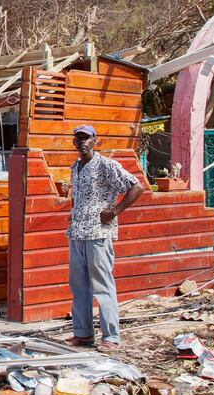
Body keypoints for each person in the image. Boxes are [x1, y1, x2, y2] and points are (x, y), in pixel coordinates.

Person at [65, 125, 144, 351]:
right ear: (74, 142)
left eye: (86, 138)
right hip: (77, 233)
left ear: (95, 141)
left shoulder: (105, 165)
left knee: (102, 285)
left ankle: (111, 336)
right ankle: (83, 334)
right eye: (78, 138)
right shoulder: (76, 167)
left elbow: (136, 187)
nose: (82, 142)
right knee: (79, 286)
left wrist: (115, 211)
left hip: (98, 233)